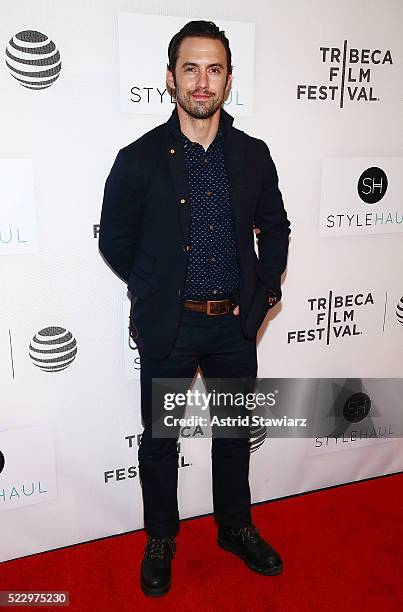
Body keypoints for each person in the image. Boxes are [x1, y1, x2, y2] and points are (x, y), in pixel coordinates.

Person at [99, 20, 291, 597]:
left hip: (234, 325)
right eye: (190, 68)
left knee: (234, 433)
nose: (202, 81)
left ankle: (234, 525)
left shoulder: (253, 155)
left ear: (228, 80)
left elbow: (276, 227)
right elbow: (114, 239)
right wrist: (151, 290)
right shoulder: (137, 159)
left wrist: (262, 297)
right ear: (170, 78)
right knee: (160, 442)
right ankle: (161, 537)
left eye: (214, 69)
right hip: (170, 327)